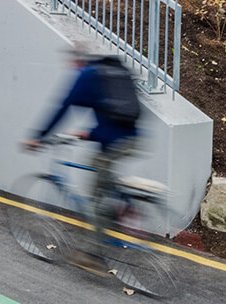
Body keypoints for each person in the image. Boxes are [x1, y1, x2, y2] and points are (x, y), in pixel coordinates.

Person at [23, 42, 141, 277]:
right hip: (133, 139)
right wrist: (91, 133)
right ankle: (121, 212)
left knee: (95, 198)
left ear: (76, 61)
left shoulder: (85, 75)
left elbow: (62, 107)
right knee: (103, 179)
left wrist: (38, 137)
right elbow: (115, 113)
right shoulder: (109, 74)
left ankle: (93, 256)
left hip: (114, 143)